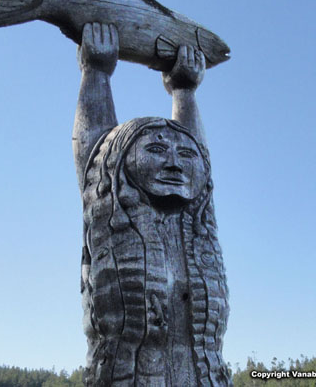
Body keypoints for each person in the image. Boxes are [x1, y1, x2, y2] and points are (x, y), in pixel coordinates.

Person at [73, 23, 231, 387]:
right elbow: (95, 149)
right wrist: (96, 71)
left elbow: (199, 159)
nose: (175, 162)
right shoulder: (109, 205)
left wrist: (185, 92)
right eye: (156, 150)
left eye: (184, 154)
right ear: (121, 161)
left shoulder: (197, 222)